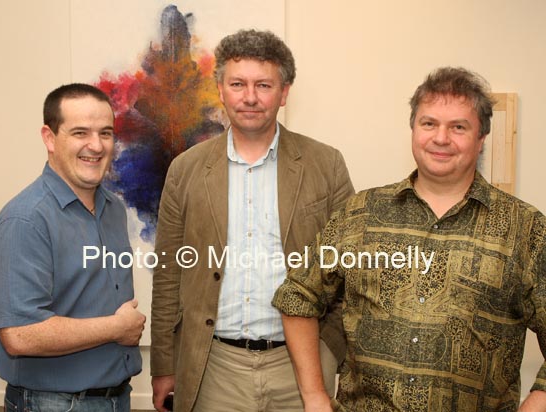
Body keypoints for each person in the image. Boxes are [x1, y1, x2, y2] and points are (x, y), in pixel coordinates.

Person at [272, 66, 546, 411]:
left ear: (481, 139)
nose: (441, 138)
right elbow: (297, 296)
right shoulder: (362, 212)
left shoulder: (525, 229)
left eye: (458, 127)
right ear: (414, 129)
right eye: (429, 123)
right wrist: (313, 397)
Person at [150, 29, 355, 412]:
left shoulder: (325, 164)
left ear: (284, 91)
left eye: (263, 85)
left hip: (302, 365)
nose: (249, 97)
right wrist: (163, 365)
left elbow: (350, 267)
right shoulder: (186, 169)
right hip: (214, 367)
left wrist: (330, 347)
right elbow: (167, 275)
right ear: (220, 89)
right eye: (238, 84)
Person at [0, 83, 146, 412]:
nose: (96, 145)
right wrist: (118, 327)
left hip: (116, 398)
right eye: (80, 133)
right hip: (54, 404)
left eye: (105, 133)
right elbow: (20, 334)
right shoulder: (25, 220)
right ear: (49, 138)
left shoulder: (113, 209)